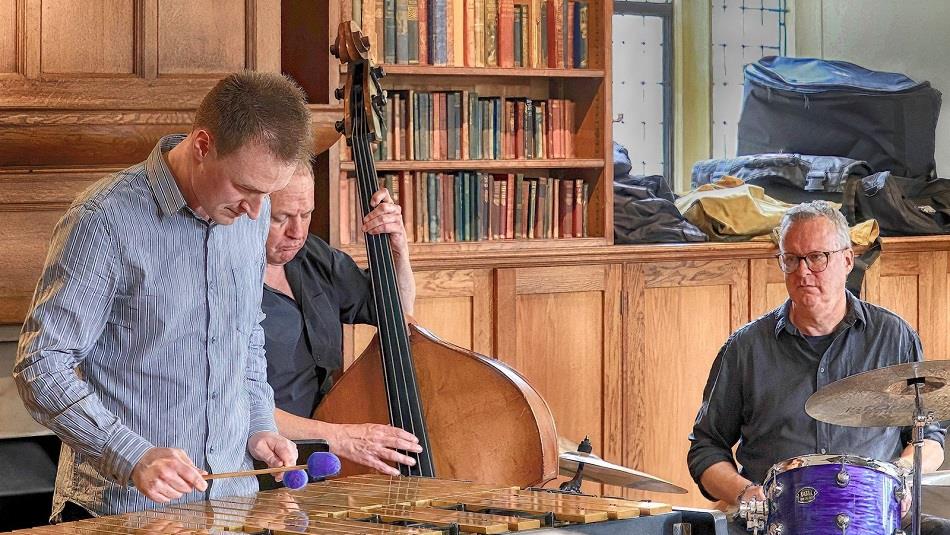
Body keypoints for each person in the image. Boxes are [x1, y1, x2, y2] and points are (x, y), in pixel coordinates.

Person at [14, 71, 312, 520]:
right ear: (202, 146)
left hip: (234, 508)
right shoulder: (104, 220)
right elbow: (41, 364)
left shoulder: (253, 211)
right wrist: (131, 454)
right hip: (123, 513)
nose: (256, 211)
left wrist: (259, 425)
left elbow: (245, 334)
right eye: (247, 188)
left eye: (267, 194)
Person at [687, 201, 949, 534]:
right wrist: (745, 493)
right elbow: (706, 447)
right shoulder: (745, 348)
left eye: (817, 257)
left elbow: (931, 438)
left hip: (875, 514)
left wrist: (900, 474)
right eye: (791, 259)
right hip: (774, 521)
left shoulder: (893, 335)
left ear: (847, 260)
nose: (802, 271)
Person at [262, 163, 422, 476]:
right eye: (280, 218)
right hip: (265, 460)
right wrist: (337, 436)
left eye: (305, 214)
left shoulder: (315, 257)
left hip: (326, 458)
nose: (297, 232)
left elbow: (395, 314)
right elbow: (233, 404)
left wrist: (399, 250)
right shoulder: (225, 280)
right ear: (250, 206)